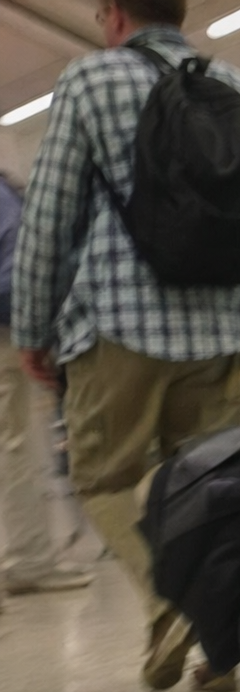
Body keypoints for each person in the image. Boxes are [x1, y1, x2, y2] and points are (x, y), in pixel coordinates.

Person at [12, 0, 240, 692]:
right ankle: (220, 650)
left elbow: (49, 221)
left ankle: (174, 607)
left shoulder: (90, 81)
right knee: (212, 487)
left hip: (119, 324)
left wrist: (33, 329)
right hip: (224, 328)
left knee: (104, 475)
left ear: (110, 13)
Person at [0, 170, 93, 608]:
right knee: (19, 448)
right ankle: (28, 561)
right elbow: (13, 272)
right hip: (4, 337)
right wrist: (36, 327)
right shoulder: (4, 198)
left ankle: (26, 557)